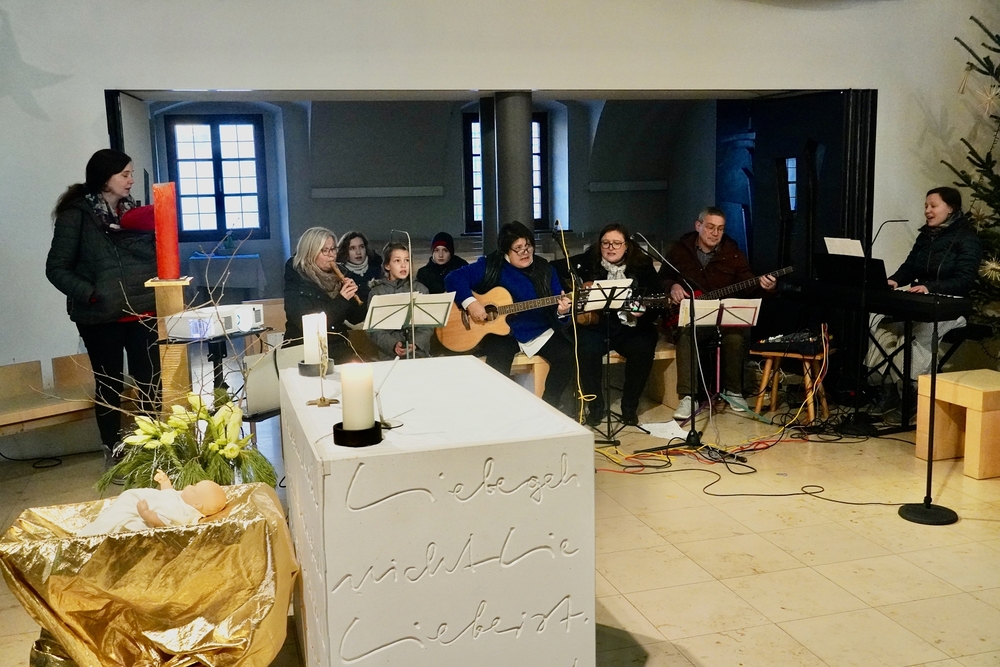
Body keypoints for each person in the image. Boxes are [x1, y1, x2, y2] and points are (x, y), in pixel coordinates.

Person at [46, 149, 161, 467]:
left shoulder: (134, 214)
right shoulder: (76, 215)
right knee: (110, 385)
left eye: (131, 174)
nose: (131, 180)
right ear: (104, 178)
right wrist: (93, 295)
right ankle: (114, 451)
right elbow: (56, 268)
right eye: (124, 174)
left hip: (142, 311)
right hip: (100, 317)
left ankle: (152, 450)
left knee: (151, 382)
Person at [868, 187, 982, 420]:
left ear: (951, 208)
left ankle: (912, 397)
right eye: (926, 206)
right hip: (922, 302)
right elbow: (910, 267)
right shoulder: (925, 236)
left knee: (915, 335)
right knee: (883, 328)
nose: (927, 211)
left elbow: (964, 281)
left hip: (951, 306)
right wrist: (894, 280)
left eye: (933, 206)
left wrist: (930, 287)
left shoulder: (968, 238)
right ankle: (889, 391)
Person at [660, 206, 777, 421]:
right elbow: (662, 278)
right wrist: (673, 286)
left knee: (735, 336)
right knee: (686, 334)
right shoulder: (679, 250)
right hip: (691, 317)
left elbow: (748, 285)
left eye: (720, 229)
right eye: (710, 227)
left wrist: (765, 287)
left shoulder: (733, 253)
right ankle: (688, 396)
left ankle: (734, 392)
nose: (715, 233)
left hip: (722, 318)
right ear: (698, 226)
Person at [445, 221, 574, 408]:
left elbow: (558, 308)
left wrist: (562, 312)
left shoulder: (546, 269)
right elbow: (453, 278)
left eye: (528, 246)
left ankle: (548, 407)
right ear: (506, 251)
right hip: (502, 333)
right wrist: (471, 303)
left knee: (566, 355)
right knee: (497, 364)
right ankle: (499, 409)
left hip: (537, 330)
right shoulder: (491, 265)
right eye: (518, 248)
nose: (525, 252)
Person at [561, 223, 660, 426]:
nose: (610, 247)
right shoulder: (587, 262)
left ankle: (629, 407)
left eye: (616, 243)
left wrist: (643, 312)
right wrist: (572, 292)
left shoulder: (642, 265)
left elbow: (656, 300)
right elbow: (556, 269)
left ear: (626, 246)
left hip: (630, 326)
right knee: (586, 348)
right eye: (605, 243)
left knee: (644, 346)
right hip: (597, 326)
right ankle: (595, 407)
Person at [283, 227, 366, 364]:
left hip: (337, 345)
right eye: (325, 250)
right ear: (310, 253)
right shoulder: (297, 279)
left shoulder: (341, 274)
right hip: (304, 350)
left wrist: (354, 296)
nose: (331, 255)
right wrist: (342, 299)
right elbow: (308, 325)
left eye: (333, 249)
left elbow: (355, 318)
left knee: (367, 368)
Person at [78, 469, 227, 535]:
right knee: (114, 513)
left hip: (138, 510)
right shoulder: (181, 499)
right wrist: (165, 482)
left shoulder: (182, 511)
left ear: (197, 505)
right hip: (134, 500)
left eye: (194, 488)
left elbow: (163, 521)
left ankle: (95, 532)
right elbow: (168, 494)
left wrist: (146, 513)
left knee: (123, 521)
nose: (189, 486)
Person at [367, 243, 433, 359]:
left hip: (418, 354)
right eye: (397, 261)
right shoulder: (377, 293)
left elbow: (427, 325)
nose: (403, 265)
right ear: (387, 265)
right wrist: (393, 345)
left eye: (407, 260)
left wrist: (415, 343)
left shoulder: (420, 289)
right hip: (390, 355)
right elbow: (374, 329)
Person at [337, 231, 383, 303]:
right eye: (352, 248)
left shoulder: (378, 269)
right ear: (344, 251)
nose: (358, 252)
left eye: (361, 247)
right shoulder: (340, 275)